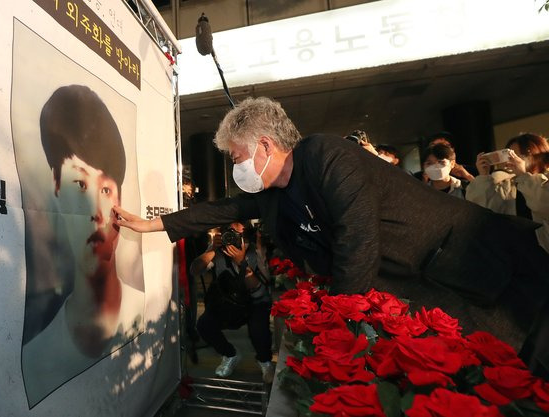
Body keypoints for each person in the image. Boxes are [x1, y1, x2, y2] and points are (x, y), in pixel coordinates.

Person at [113, 96, 549, 377]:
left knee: (531, 364)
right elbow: (221, 209)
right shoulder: (272, 193)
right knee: (502, 376)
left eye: (237, 156)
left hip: (483, 266)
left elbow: (356, 241)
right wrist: (149, 224)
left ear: (264, 146)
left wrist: (338, 330)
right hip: (436, 289)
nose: (236, 166)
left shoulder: (325, 155)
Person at [22, 85, 144, 406]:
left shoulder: (145, 310)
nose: (95, 213)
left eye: (105, 189)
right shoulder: (35, 361)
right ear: (57, 189)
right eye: (79, 183)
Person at [190, 221, 274, 383]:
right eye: (230, 233)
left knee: (259, 327)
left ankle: (265, 361)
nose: (234, 238)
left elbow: (259, 293)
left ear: (247, 233)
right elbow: (194, 270)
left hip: (253, 304)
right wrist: (212, 249)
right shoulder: (219, 252)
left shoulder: (256, 251)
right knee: (204, 324)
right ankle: (230, 354)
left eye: (239, 234)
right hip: (228, 304)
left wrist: (241, 262)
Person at [466, 133, 549, 253]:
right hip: (516, 255)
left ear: (536, 154)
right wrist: (484, 177)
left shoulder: (544, 179)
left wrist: (524, 176)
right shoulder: (504, 182)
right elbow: (482, 213)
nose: (512, 160)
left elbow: (543, 204)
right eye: (508, 155)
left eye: (517, 155)